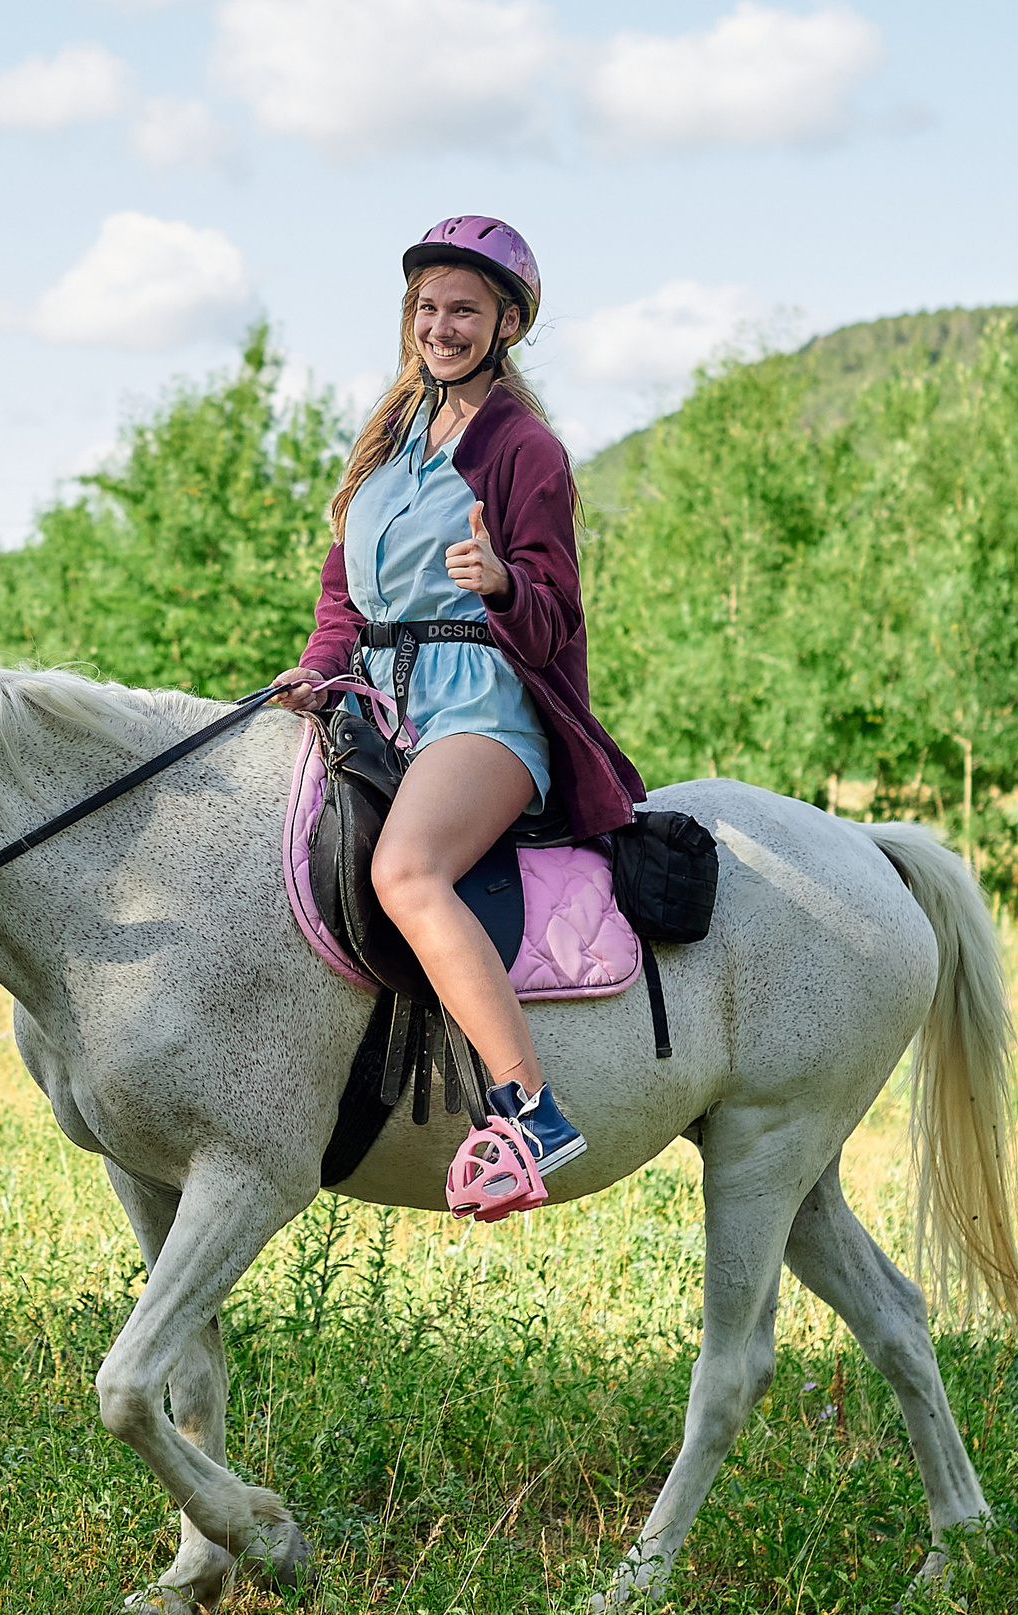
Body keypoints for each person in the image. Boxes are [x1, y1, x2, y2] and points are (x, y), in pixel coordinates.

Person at [275, 215, 647, 1219]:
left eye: (464, 311)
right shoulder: (387, 435)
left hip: (480, 706)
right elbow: (340, 592)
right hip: (372, 703)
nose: (440, 327)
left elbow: (557, 601)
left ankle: (532, 1109)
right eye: (427, 309)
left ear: (508, 324)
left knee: (405, 868)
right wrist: (317, 668)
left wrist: (500, 583)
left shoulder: (524, 448)